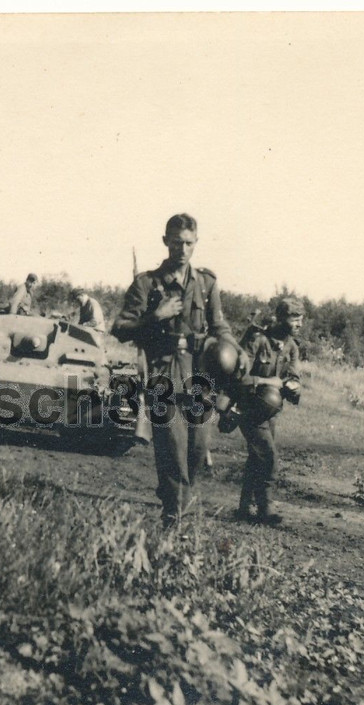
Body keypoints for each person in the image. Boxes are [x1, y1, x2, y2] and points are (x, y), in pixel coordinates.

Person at [111, 213, 247, 528]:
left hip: (199, 377)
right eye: (176, 243)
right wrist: (152, 317)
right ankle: (174, 518)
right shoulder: (147, 283)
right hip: (163, 375)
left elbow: (219, 324)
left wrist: (232, 347)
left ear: (196, 243)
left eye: (188, 243)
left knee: (197, 452)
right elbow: (120, 327)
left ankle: (175, 498)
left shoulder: (206, 283)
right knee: (173, 450)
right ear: (165, 242)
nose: (182, 250)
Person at [228, 297, 305, 525]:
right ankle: (265, 507)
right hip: (249, 408)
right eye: (295, 319)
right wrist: (267, 381)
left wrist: (293, 385)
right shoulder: (257, 340)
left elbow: (293, 375)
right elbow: (238, 376)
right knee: (268, 456)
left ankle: (243, 507)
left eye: (301, 319)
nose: (299, 324)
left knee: (256, 456)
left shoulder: (291, 346)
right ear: (281, 318)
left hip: (270, 411)